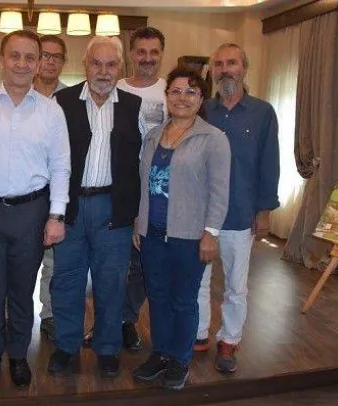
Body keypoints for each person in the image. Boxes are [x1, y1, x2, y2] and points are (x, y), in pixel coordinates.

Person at [0, 30, 71, 389]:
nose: (22, 64)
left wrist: (56, 215)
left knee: (22, 290)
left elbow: (60, 167)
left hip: (32, 213)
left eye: (30, 57)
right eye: (14, 56)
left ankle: (18, 355)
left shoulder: (51, 112)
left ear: (39, 63)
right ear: (1, 60)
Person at [48, 36, 146, 378]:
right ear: (85, 65)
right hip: (71, 207)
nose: (103, 71)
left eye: (110, 64)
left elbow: (143, 163)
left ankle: (107, 347)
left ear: (120, 67)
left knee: (111, 282)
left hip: (113, 209)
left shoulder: (134, 107)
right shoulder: (62, 102)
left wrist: (138, 215)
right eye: (96, 63)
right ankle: (66, 346)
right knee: (66, 280)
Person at [131, 68, 230, 390]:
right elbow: (143, 183)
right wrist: (138, 223)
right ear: (167, 96)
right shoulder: (153, 135)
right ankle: (160, 353)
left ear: (201, 99)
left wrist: (211, 233)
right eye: (175, 91)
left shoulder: (213, 138)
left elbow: (219, 191)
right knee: (157, 297)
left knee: (184, 300)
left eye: (191, 92)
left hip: (189, 236)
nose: (182, 98)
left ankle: (179, 359)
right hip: (152, 234)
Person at [195, 43, 279, 374]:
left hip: (240, 214)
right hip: (200, 215)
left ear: (244, 68)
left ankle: (229, 340)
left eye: (232, 63)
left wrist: (265, 210)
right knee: (197, 281)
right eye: (219, 64)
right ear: (212, 71)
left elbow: (269, 163)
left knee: (235, 285)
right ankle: (198, 333)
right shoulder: (201, 109)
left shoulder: (262, 113)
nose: (225, 69)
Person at [84, 26, 169, 351]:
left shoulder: (170, 92)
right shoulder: (112, 87)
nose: (147, 58)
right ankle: (105, 324)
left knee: (142, 267)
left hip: (157, 192)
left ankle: (126, 321)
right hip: (118, 191)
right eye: (141, 52)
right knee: (112, 266)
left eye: (154, 52)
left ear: (161, 55)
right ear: (130, 56)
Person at [33, 34, 68, 342]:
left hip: (56, 191)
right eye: (45, 55)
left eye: (56, 56)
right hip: (22, 193)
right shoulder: (17, 93)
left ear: (63, 62)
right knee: (19, 259)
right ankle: (11, 314)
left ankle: (50, 314)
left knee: (54, 261)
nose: (50, 61)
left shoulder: (72, 99)